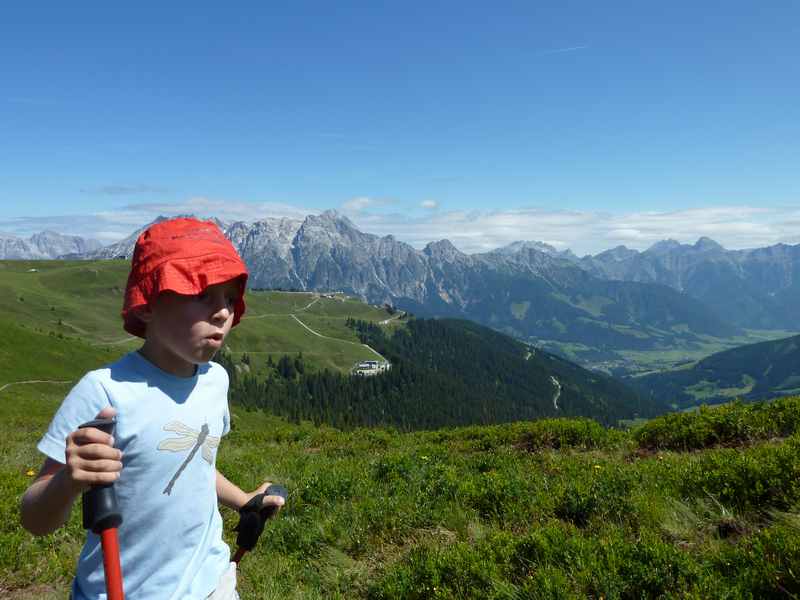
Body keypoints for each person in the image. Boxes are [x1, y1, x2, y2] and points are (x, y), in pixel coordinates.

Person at [20, 217, 284, 599]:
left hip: (213, 582)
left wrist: (243, 500)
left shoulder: (215, 380)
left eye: (229, 299)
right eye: (202, 294)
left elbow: (195, 463)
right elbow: (34, 520)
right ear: (146, 306)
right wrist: (69, 480)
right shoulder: (105, 392)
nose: (223, 312)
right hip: (123, 590)